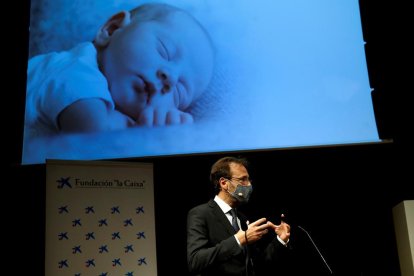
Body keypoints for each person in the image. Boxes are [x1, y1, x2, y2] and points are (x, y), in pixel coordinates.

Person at [24, 3, 214, 140]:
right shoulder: (77, 69)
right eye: (163, 50)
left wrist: (166, 125)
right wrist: (150, 136)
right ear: (112, 29)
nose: (170, 78)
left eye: (180, 92)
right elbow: (92, 136)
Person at [187, 156, 293, 276]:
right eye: (243, 179)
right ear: (224, 183)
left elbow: (258, 264)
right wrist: (239, 240)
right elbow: (195, 261)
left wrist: (281, 240)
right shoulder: (201, 213)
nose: (249, 186)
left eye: (249, 180)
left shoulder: (241, 218)